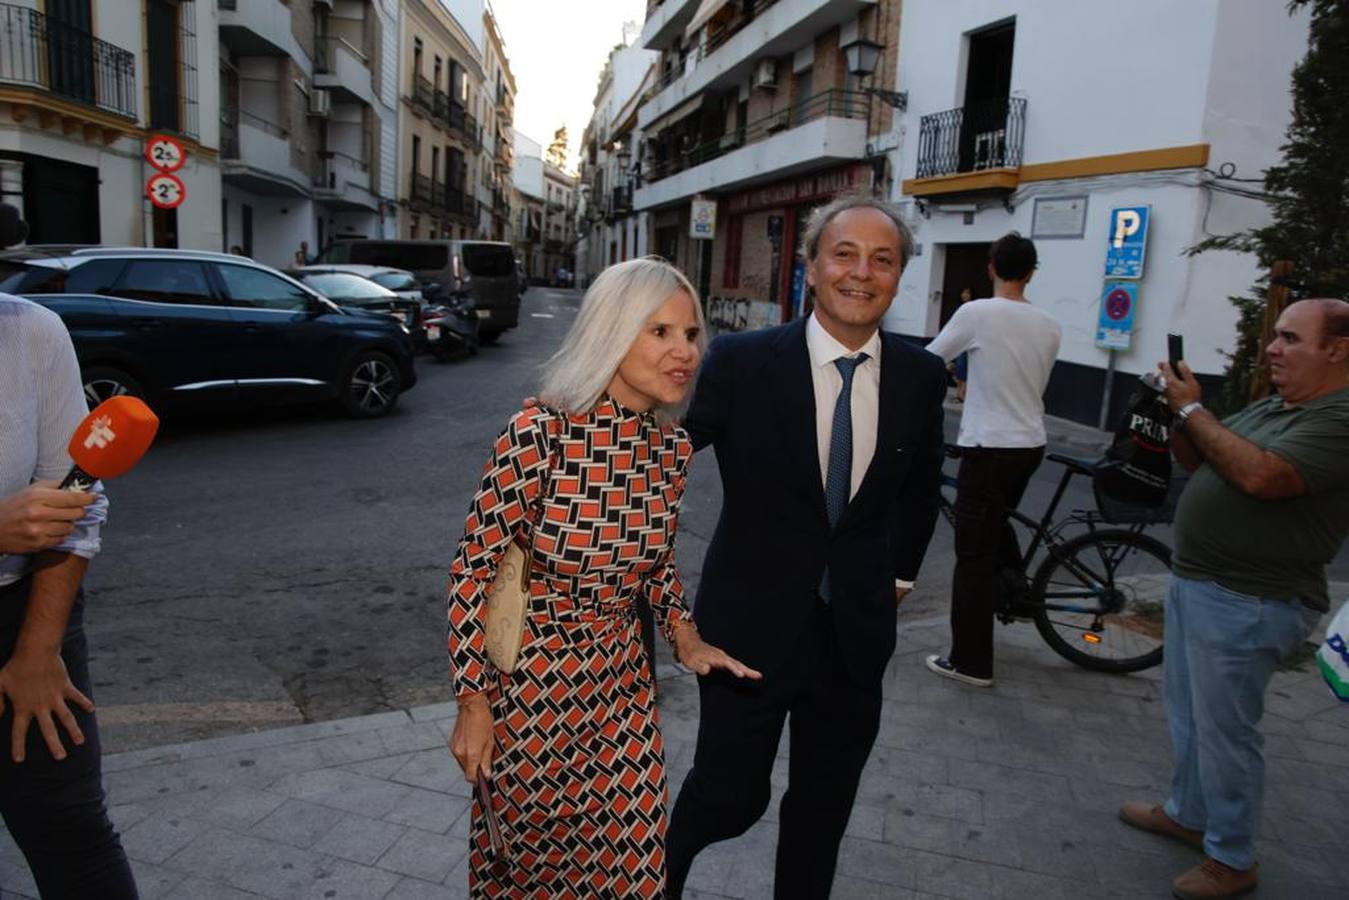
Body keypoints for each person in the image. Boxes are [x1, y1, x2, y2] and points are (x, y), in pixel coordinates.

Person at [445, 257, 759, 897]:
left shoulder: (670, 451)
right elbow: (473, 571)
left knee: (636, 872)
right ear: (612, 333)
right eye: (660, 332)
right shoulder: (540, 436)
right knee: (535, 878)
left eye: (691, 334)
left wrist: (684, 635)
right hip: (532, 694)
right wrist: (473, 702)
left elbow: (657, 563)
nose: (684, 353)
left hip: (622, 693)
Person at [665, 194, 948, 899]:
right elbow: (671, 452)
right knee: (727, 797)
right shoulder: (742, 360)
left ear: (898, 275)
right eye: (843, 254)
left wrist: (899, 583)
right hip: (746, 634)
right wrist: (589, 430)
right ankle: (649, 886)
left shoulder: (920, 375)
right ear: (812, 268)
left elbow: (919, 491)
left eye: (881, 259)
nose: (861, 272)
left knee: (822, 812)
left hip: (853, 637)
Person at [1120, 297, 1349, 900]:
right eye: (1275, 337)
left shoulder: (1338, 417)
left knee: (1226, 732)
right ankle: (1188, 814)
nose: (1273, 349)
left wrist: (1194, 408)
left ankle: (1232, 856)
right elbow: (1203, 459)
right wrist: (1179, 413)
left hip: (1253, 599)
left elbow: (1262, 477)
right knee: (1191, 717)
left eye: (1291, 339)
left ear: (1337, 349)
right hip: (1203, 584)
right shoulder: (1278, 404)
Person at [0, 203, 139, 897]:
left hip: (30, 606)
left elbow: (77, 501)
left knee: (72, 827)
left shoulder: (33, 333)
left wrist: (36, 652)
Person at [922, 233, 1062, 687]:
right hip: (1029, 444)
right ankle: (1016, 591)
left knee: (973, 555)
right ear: (1032, 272)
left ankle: (971, 661)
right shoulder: (1048, 324)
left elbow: (930, 362)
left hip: (990, 446)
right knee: (994, 523)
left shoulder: (978, 312)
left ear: (991, 268)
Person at [951, 287, 973, 402]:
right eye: (963, 293)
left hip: (968, 343)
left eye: (967, 293)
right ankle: (959, 393)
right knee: (959, 368)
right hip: (959, 342)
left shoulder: (974, 309)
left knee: (964, 367)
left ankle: (962, 394)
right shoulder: (959, 308)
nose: (965, 295)